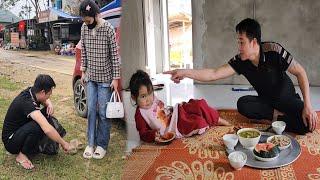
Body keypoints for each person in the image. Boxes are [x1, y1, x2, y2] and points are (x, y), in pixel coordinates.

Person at [164, 18, 318, 135]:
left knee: (308, 125)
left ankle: (276, 119)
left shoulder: (274, 50)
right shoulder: (241, 61)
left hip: (287, 99)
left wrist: (308, 106)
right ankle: (277, 118)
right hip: (267, 103)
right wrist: (184, 72)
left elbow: (300, 72)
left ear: (254, 42)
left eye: (241, 42)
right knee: (243, 104)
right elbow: (213, 74)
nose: (239, 47)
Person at [129, 70, 230, 143]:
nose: (148, 99)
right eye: (143, 96)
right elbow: (143, 134)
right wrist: (154, 135)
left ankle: (217, 119)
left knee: (199, 104)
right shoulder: (140, 114)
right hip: (175, 126)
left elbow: (163, 108)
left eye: (150, 93)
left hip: (176, 111)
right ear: (134, 98)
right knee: (198, 122)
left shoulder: (152, 99)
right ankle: (210, 119)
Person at [1, 74, 71, 170]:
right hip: (11, 141)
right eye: (49, 94)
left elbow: (45, 101)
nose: (49, 96)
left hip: (20, 130)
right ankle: (21, 155)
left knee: (45, 113)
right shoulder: (27, 103)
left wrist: (49, 104)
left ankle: (36, 145)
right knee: (39, 125)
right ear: (42, 92)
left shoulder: (32, 91)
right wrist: (63, 143)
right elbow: (47, 129)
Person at [79, 0, 121, 159]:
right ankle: (90, 143)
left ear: (96, 15)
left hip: (105, 79)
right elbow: (83, 50)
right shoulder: (84, 28)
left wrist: (115, 79)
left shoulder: (108, 29)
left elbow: (115, 56)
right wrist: (83, 71)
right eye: (84, 20)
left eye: (88, 20)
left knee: (103, 113)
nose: (86, 23)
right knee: (91, 111)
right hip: (90, 78)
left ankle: (102, 145)